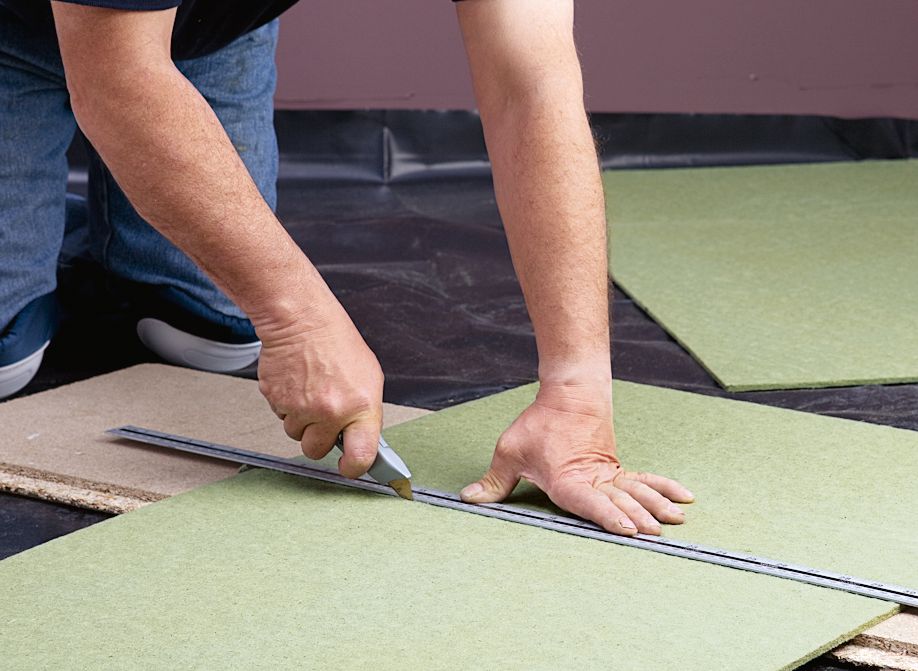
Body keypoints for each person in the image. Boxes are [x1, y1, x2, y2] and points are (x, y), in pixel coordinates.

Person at [0, 0, 693, 536]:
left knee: (216, 330)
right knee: (9, 356)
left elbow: (532, 85)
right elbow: (117, 77)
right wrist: (300, 319)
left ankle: (103, 212)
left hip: (205, 26)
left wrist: (576, 391)